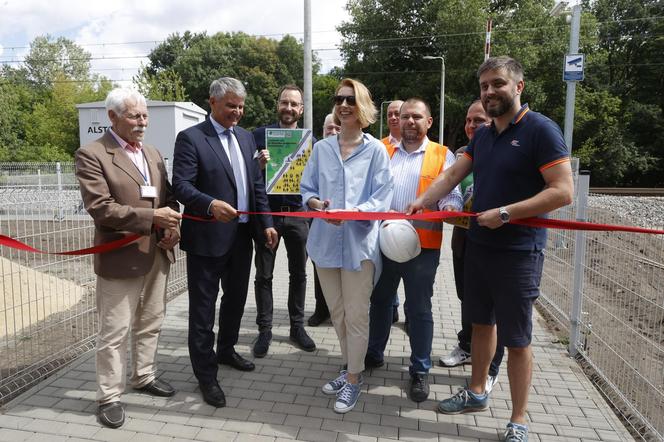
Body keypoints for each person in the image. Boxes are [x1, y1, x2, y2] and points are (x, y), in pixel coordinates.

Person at [407, 56, 573, 441]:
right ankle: (477, 391)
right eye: (484, 86)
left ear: (518, 87)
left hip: (518, 253)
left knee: (517, 339)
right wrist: (424, 201)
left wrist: (506, 213)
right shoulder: (483, 135)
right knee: (481, 325)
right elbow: (452, 174)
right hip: (479, 247)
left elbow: (562, 191)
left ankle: (518, 420)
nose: (489, 92)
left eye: (497, 84)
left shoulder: (540, 130)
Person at [75, 88, 182, 429]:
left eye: (145, 116)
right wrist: (153, 219)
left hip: (157, 253)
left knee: (151, 322)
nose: (142, 122)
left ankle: (144, 375)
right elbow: (101, 209)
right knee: (115, 332)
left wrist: (172, 226)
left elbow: (166, 197)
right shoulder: (93, 154)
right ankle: (108, 396)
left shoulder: (151, 152)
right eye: (135, 116)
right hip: (119, 257)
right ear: (112, 117)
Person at [172, 77, 278, 408]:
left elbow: (256, 186)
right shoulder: (191, 138)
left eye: (241, 106)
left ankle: (227, 350)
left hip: (242, 238)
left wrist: (267, 225)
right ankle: (206, 375)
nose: (237, 112)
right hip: (207, 239)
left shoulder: (246, 139)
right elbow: (181, 186)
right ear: (212, 103)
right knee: (203, 311)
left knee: (235, 300)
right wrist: (209, 204)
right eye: (231, 105)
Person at [301, 78, 393, 413]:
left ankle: (353, 380)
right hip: (325, 243)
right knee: (337, 314)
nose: (343, 105)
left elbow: (382, 196)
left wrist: (352, 213)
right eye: (339, 99)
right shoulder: (323, 148)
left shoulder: (376, 150)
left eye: (350, 100)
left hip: (359, 245)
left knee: (356, 315)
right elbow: (306, 188)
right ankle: (348, 366)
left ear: (362, 106)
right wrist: (315, 204)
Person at [367, 98, 462, 403]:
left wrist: (449, 207)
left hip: (423, 247)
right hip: (383, 243)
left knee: (418, 309)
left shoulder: (442, 155)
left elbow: (453, 192)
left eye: (416, 117)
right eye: (405, 116)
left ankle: (419, 370)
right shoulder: (382, 151)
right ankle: (373, 353)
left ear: (428, 122)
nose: (409, 121)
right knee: (380, 301)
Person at [439, 100, 505, 395]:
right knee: (468, 299)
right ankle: (467, 346)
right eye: (468, 120)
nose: (470, 126)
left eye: (477, 121)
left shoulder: (501, 153)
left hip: (496, 243)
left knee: (494, 310)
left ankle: (491, 367)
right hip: (464, 241)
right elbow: (450, 186)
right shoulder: (461, 155)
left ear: (491, 122)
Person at [251, 85, 315, 357]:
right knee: (264, 275)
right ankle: (264, 331)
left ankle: (296, 327)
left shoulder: (308, 140)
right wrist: (259, 165)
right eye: (284, 103)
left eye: (294, 104)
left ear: (301, 109)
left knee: (298, 274)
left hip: (299, 215)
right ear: (277, 105)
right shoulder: (259, 136)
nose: (288, 108)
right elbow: (249, 177)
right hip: (268, 215)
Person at [307, 113, 339, 327]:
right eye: (329, 128)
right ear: (322, 131)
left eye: (337, 127)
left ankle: (340, 311)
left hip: (350, 224)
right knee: (321, 266)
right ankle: (321, 309)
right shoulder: (316, 152)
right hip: (320, 221)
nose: (333, 132)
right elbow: (306, 185)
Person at [380, 99, 406, 325]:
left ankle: (408, 313)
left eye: (398, 113)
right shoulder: (378, 147)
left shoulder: (426, 149)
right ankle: (392, 307)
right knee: (384, 280)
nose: (393, 118)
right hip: (383, 227)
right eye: (389, 114)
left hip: (414, 231)